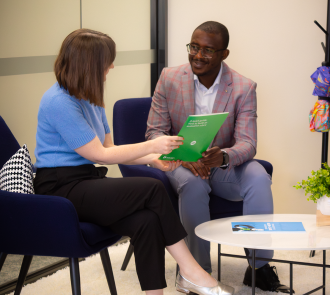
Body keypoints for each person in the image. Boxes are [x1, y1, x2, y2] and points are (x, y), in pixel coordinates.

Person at [33, 28, 235, 295]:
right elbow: (98, 155)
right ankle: (191, 271)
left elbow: (110, 147)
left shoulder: (91, 97)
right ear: (90, 63)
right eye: (108, 60)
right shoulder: (58, 101)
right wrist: (153, 145)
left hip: (85, 182)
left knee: (146, 221)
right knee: (151, 189)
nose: (112, 65)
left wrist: (154, 158)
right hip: (59, 189)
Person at [146, 21, 292, 294]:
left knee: (258, 176)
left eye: (208, 50)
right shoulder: (169, 78)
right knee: (194, 183)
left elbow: (248, 143)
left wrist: (223, 156)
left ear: (224, 54)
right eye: (194, 47)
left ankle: (258, 266)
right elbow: (154, 132)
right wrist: (183, 156)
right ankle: (197, 271)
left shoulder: (243, 87)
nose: (198, 56)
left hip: (221, 164)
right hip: (181, 162)